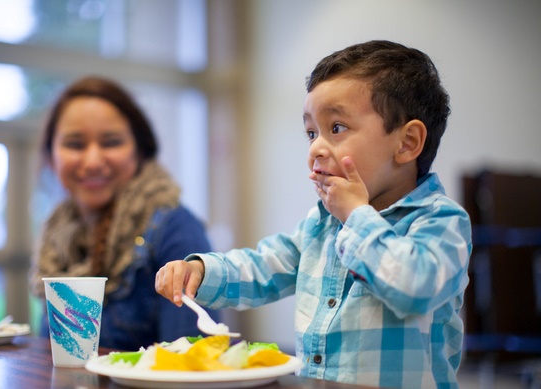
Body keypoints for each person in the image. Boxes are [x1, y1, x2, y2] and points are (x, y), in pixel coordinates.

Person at [155, 40, 472, 388]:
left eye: (336, 128)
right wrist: (201, 270)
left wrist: (356, 216)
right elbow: (263, 266)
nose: (316, 149)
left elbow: (414, 287)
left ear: (407, 142)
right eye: (311, 133)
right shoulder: (321, 224)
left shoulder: (441, 220)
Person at [29, 76, 220, 351]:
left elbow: (194, 362)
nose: (93, 160)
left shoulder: (174, 227)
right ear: (51, 155)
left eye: (111, 142)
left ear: (140, 151)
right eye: (75, 144)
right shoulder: (57, 239)